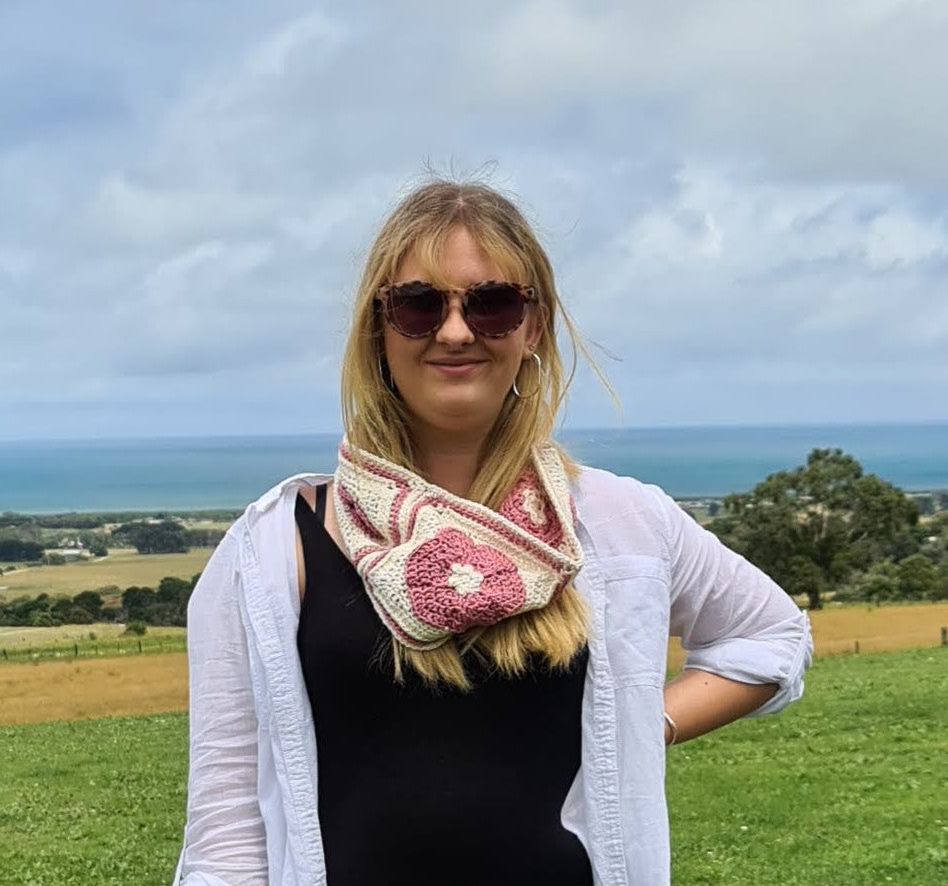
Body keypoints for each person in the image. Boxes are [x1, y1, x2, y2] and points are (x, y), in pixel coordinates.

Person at [173, 179, 812, 886]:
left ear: (532, 327)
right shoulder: (270, 550)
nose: (454, 330)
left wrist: (640, 727)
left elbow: (773, 637)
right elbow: (225, 834)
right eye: (418, 305)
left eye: (492, 304)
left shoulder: (618, 522)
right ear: (377, 330)